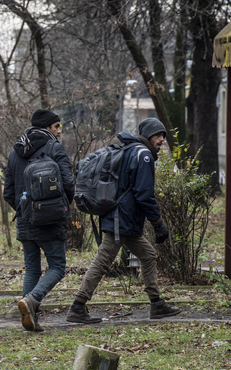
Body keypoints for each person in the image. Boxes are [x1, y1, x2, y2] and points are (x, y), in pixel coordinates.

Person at [66, 117, 181, 323]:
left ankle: (156, 304)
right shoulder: (143, 155)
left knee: (148, 255)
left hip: (123, 219)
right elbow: (144, 194)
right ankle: (77, 307)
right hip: (122, 220)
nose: (161, 139)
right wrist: (158, 224)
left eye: (163, 135)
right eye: (157, 135)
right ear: (147, 136)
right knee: (103, 261)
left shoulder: (130, 150)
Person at [3, 109, 75, 332]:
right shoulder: (54, 148)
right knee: (58, 267)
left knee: (32, 269)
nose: (59, 131)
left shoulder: (16, 152)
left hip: (25, 220)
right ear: (46, 128)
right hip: (50, 221)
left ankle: (30, 316)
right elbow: (69, 184)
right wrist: (57, 209)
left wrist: (26, 210)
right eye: (56, 127)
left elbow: (8, 192)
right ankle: (32, 300)